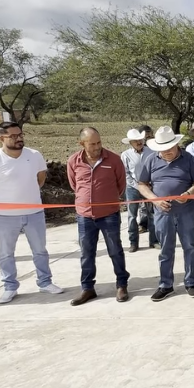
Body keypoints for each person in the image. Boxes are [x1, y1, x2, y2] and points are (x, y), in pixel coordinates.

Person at [0, 122, 63, 304]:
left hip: (34, 213)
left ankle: (45, 282)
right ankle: (10, 287)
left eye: (21, 134)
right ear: (1, 138)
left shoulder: (34, 155)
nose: (19, 138)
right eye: (13, 136)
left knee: (40, 250)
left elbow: (40, 179)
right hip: (4, 216)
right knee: (6, 253)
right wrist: (5, 198)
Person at [136, 125, 194, 302]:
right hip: (162, 213)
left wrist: (188, 194)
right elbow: (141, 184)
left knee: (190, 246)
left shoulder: (188, 159)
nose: (166, 152)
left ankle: (190, 282)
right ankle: (165, 284)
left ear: (176, 145)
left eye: (170, 148)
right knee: (166, 249)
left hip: (187, 211)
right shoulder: (151, 160)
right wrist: (155, 200)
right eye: (163, 149)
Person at [67, 127, 130, 306]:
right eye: (92, 144)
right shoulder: (73, 161)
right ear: (82, 144)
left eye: (98, 142)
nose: (97, 147)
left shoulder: (114, 160)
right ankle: (87, 288)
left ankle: (121, 284)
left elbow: (121, 185)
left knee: (115, 250)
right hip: (84, 216)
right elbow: (74, 185)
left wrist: (106, 199)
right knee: (86, 253)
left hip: (109, 214)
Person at [120, 127, 157, 252]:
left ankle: (154, 241)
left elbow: (155, 169)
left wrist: (149, 185)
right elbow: (125, 174)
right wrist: (138, 186)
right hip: (132, 188)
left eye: (140, 139)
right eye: (135, 140)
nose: (139, 142)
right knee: (132, 216)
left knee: (152, 214)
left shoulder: (152, 152)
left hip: (149, 187)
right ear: (130, 143)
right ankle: (133, 242)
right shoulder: (125, 155)